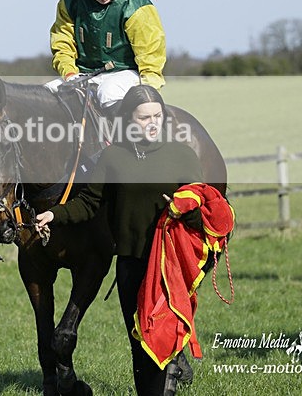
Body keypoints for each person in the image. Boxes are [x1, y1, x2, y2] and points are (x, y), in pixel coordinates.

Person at [34, 85, 230, 395]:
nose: (152, 123)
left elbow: (202, 210)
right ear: (129, 120)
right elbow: (88, 203)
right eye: (144, 117)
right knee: (140, 348)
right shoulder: (114, 157)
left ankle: (166, 386)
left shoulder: (182, 155)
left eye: (157, 116)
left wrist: (181, 211)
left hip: (169, 267)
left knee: (162, 339)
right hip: (130, 266)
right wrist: (54, 216)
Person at [45, 0, 167, 111]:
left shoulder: (137, 7)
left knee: (107, 92)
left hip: (126, 73)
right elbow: (62, 44)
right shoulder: (68, 3)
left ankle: (122, 137)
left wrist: (149, 92)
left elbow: (151, 56)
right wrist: (69, 73)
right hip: (82, 74)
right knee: (46, 93)